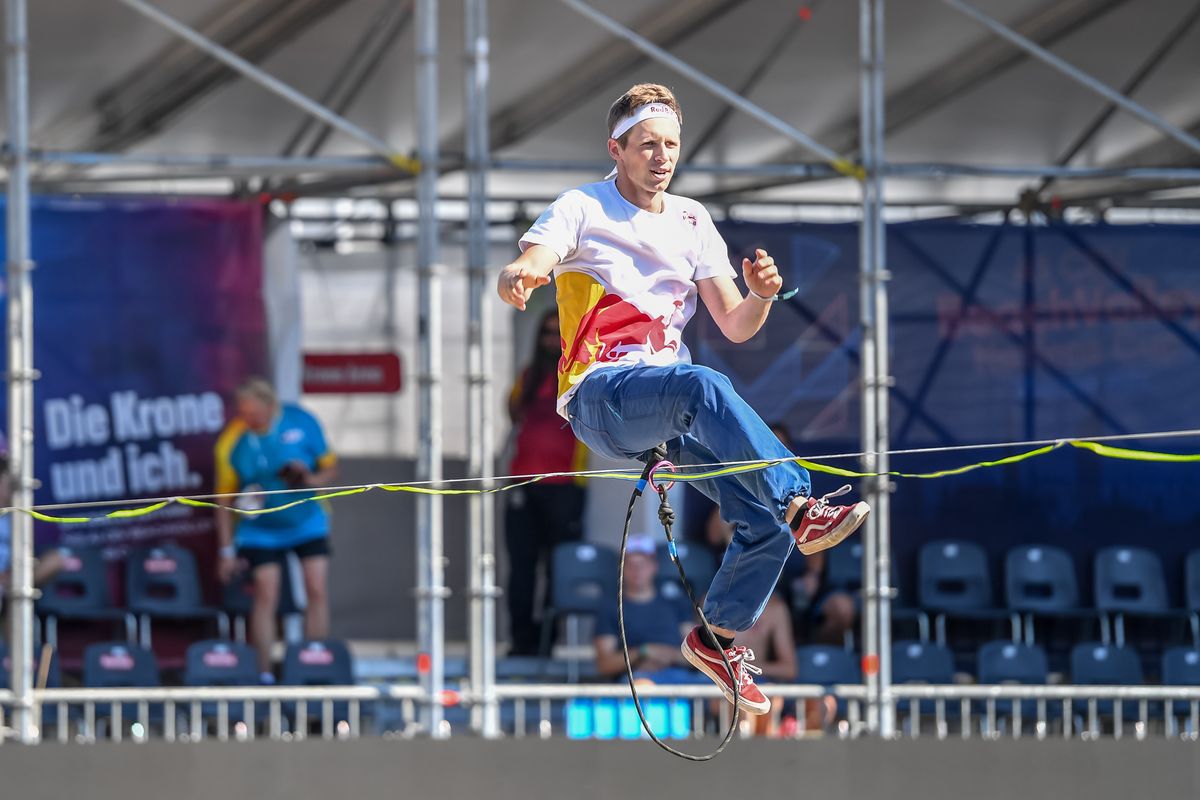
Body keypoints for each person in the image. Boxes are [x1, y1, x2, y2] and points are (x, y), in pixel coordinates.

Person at [497, 83, 869, 715]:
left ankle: (716, 639)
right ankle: (802, 500)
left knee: (763, 521)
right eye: (647, 144)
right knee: (704, 387)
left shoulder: (694, 218)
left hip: (668, 409)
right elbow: (535, 256)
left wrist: (758, 294)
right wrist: (522, 272)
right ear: (616, 149)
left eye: (671, 144)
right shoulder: (583, 207)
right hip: (601, 397)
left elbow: (735, 324)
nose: (662, 156)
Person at [214, 377, 337, 681]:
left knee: (316, 587)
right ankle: (264, 673)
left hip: (307, 521)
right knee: (266, 593)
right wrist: (226, 551)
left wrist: (310, 480)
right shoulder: (232, 441)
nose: (249, 420)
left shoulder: (302, 420)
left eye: (254, 413)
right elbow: (221, 502)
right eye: (243, 414)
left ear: (271, 406)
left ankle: (314, 662)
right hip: (260, 529)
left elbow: (332, 468)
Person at [505, 310, 588, 655]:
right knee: (521, 567)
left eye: (558, 334)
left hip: (566, 484)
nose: (551, 340)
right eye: (546, 334)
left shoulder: (578, 374)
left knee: (558, 568)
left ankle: (546, 643)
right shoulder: (528, 375)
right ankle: (521, 642)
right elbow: (510, 411)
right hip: (521, 481)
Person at [593, 534, 697, 683]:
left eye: (643, 564)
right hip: (636, 679)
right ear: (621, 568)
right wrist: (643, 652)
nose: (637, 570)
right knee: (643, 686)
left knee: (724, 695)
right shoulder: (611, 608)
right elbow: (604, 664)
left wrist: (668, 655)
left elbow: (696, 654)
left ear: (654, 566)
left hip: (682, 677)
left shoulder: (677, 603)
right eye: (630, 564)